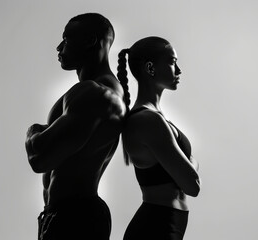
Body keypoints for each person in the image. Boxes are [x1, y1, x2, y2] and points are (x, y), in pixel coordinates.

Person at [25, 13, 127, 240]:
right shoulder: (91, 93)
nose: (59, 47)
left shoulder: (93, 93)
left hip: (76, 219)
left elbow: (40, 158)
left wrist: (33, 130)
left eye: (67, 39)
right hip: (63, 217)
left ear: (90, 41)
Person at [117, 36, 201, 240]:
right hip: (155, 228)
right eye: (172, 62)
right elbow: (192, 185)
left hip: (166, 224)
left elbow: (187, 177)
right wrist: (192, 162)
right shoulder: (148, 120)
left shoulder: (156, 119)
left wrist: (187, 165)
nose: (179, 70)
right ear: (150, 68)